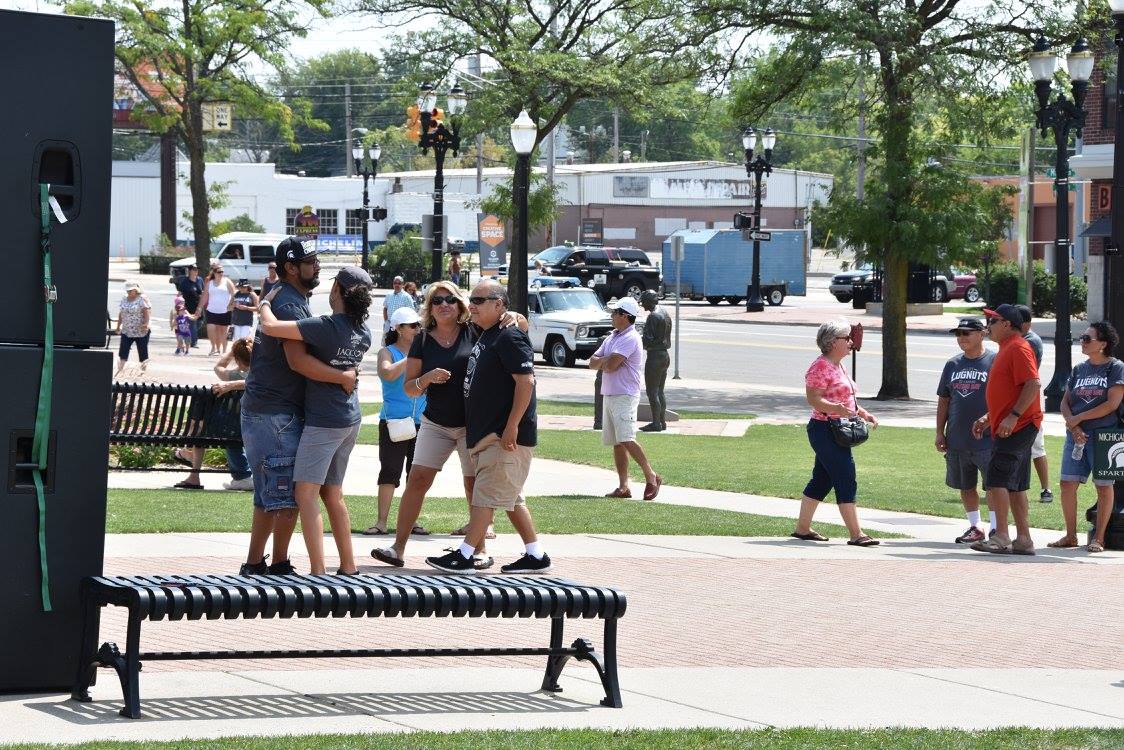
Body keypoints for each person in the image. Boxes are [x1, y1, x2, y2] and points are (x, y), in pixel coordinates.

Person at [372, 282, 528, 570]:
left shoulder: (476, 329)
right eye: (437, 300)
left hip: (473, 424)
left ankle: (478, 550)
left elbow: (518, 324)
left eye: (450, 300)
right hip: (436, 422)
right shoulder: (422, 340)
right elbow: (409, 389)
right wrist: (426, 378)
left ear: (460, 305)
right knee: (418, 479)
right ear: (429, 307)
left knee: (473, 486)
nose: (444, 305)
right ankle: (397, 548)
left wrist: (514, 316)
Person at [239, 237, 358, 576]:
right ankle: (275, 564)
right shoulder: (290, 304)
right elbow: (298, 362)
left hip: (268, 409)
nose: (317, 266)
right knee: (286, 495)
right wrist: (341, 376)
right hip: (275, 413)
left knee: (268, 495)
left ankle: (257, 563)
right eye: (310, 261)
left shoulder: (290, 299)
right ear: (291, 267)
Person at [425, 281, 550, 574]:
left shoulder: (509, 337)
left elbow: (525, 382)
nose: (473, 305)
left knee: (485, 496)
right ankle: (536, 554)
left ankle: (466, 555)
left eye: (480, 300)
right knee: (509, 497)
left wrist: (511, 427)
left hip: (502, 435)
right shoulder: (489, 333)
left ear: (499, 304)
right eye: (472, 300)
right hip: (488, 434)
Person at [258, 266, 374, 575]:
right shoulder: (363, 333)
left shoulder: (325, 326)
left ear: (337, 290)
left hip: (324, 422)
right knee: (333, 494)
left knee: (305, 495)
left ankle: (318, 570)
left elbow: (271, 328)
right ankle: (349, 567)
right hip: (350, 418)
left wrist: (265, 303)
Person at [792, 318, 880, 547]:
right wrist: (836, 410)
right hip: (824, 429)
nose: (851, 342)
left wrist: (863, 413)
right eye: (846, 338)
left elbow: (844, 398)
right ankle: (856, 534)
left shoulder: (837, 365)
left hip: (838, 427)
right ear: (832, 342)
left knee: (822, 480)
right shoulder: (820, 366)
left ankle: (802, 529)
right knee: (845, 476)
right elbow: (813, 399)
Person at [969, 304, 1042, 556]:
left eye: (993, 321)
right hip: (1011, 424)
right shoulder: (1006, 348)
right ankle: (1023, 540)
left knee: (996, 479)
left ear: (1007, 325)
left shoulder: (1019, 347)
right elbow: (1009, 392)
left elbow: (1032, 384)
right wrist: (990, 417)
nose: (989, 326)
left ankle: (1000, 536)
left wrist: (1012, 417)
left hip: (1018, 426)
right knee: (1016, 485)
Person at [1051, 321, 1124, 552]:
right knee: (1067, 483)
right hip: (1076, 435)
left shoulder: (1116, 368)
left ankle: (1099, 538)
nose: (1082, 342)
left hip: (1105, 435)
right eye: (1082, 338)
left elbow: (1112, 404)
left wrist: (1078, 419)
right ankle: (1070, 536)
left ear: (1102, 344)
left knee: (1103, 486)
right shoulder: (1079, 369)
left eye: (1087, 339)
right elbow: (1065, 401)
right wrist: (1074, 426)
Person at [363, 306, 427, 536]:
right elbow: (387, 373)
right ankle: (381, 522)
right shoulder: (387, 352)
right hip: (394, 421)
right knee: (390, 472)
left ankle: (412, 521)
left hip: (422, 422)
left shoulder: (425, 350)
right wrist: (412, 357)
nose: (417, 328)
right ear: (398, 329)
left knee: (417, 475)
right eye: (412, 325)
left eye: (418, 325)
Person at [589, 297, 661, 501]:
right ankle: (623, 487)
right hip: (610, 393)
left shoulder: (630, 338)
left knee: (626, 438)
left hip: (625, 395)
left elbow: (610, 366)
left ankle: (651, 476)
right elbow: (592, 363)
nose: (611, 316)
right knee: (617, 442)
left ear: (624, 316)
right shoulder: (612, 337)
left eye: (615, 313)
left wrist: (605, 361)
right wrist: (607, 360)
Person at [936, 317, 997, 544]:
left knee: (992, 485)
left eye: (967, 333)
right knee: (965, 484)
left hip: (987, 437)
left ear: (982, 333)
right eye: (958, 334)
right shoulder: (953, 364)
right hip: (958, 437)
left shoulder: (994, 361)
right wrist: (939, 432)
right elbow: (944, 399)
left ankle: (996, 528)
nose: (961, 338)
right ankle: (975, 527)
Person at [172, 338, 255, 491]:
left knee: (200, 426)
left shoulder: (235, 377)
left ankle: (191, 464)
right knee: (210, 426)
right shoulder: (261, 376)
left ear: (237, 359)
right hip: (252, 426)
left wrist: (232, 351)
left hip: (226, 428)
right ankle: (187, 454)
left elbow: (219, 367)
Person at [1015, 304, 1052, 503]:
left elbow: (1027, 377)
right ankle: (1013, 485)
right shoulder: (1017, 340)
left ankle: (1046, 489)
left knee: (1036, 447)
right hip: (1016, 400)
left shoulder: (1030, 341)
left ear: (1026, 324)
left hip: (1029, 403)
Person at [639, 290, 672, 432]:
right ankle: (662, 421)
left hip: (655, 357)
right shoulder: (665, 313)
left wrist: (637, 338)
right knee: (660, 391)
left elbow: (647, 340)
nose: (642, 304)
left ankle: (656, 423)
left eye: (643, 301)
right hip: (665, 356)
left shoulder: (653, 316)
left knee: (652, 391)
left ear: (648, 301)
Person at [194, 263, 236, 355]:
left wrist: (231, 304)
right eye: (219, 271)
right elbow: (204, 296)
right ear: (214, 272)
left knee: (222, 331)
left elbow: (234, 294)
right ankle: (214, 347)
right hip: (211, 310)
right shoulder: (209, 283)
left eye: (222, 271)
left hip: (225, 311)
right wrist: (199, 308)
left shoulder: (227, 281)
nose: (221, 273)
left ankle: (224, 350)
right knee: (211, 328)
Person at [115, 281, 151, 375]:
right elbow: (121, 313)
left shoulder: (141, 299)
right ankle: (120, 371)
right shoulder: (124, 299)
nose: (129, 292)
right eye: (128, 291)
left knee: (143, 351)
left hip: (140, 331)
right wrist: (118, 326)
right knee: (123, 351)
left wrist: (146, 324)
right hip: (127, 330)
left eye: (130, 290)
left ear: (135, 290)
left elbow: (146, 311)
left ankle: (143, 372)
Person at [174, 264, 204, 348]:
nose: (196, 271)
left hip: (198, 306)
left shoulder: (200, 280)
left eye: (197, 270)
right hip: (187, 306)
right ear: (190, 271)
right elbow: (179, 294)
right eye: (194, 269)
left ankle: (187, 334)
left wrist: (201, 306)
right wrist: (178, 305)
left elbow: (202, 293)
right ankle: (193, 343)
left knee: (200, 322)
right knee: (192, 323)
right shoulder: (184, 281)